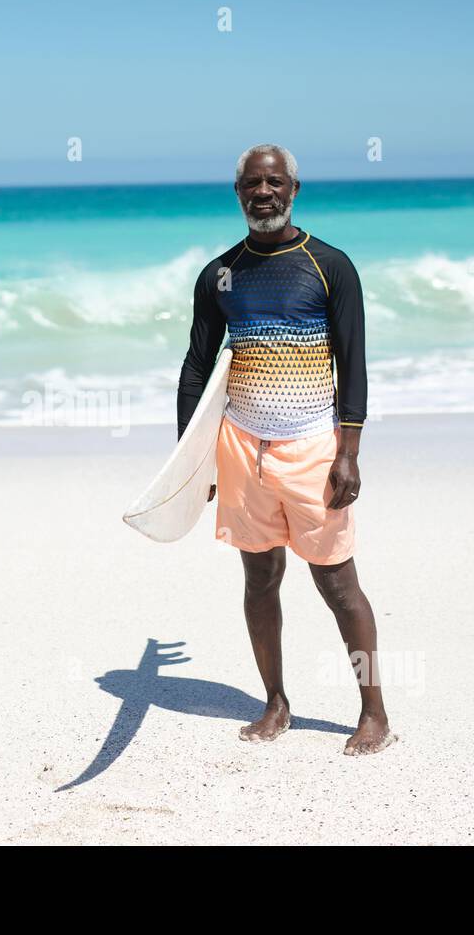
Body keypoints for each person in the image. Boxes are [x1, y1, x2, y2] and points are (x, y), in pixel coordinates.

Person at [177, 143, 397, 755]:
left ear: (294, 189)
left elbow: (352, 365)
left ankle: (374, 711)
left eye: (274, 182)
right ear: (238, 192)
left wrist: (348, 451)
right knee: (260, 576)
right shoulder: (220, 274)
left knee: (338, 585)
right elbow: (196, 368)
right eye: (252, 183)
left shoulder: (330, 266)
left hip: (312, 447)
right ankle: (276, 702)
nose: (263, 192)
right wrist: (190, 459)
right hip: (242, 446)